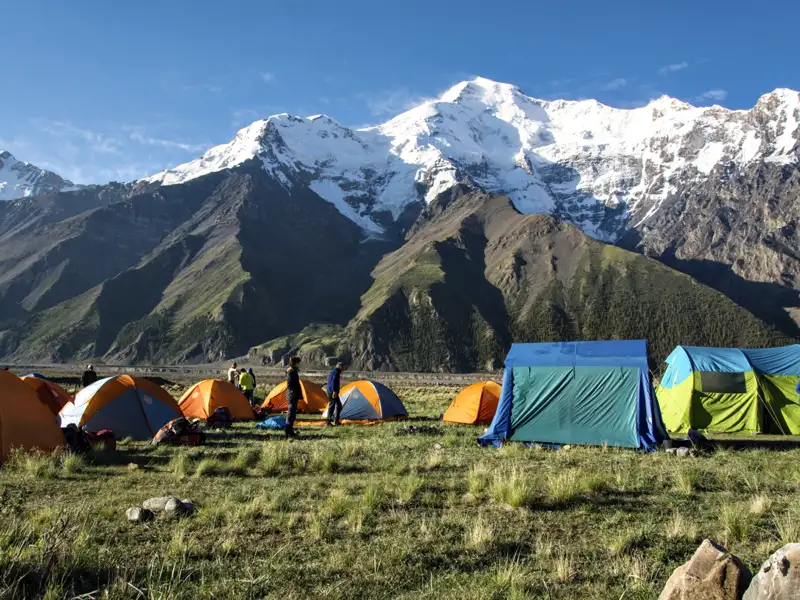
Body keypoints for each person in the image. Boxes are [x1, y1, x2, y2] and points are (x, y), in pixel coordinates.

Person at [285, 356, 303, 438]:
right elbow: (290, 385)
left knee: (293, 414)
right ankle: (288, 430)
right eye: (298, 363)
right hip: (292, 395)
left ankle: (290, 430)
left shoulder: (293, 371)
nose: (299, 365)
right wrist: (294, 392)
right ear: (295, 363)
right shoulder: (291, 372)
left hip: (293, 395)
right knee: (291, 413)